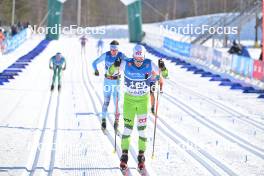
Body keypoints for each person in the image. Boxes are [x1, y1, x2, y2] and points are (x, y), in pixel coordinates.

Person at [107, 44, 168, 172]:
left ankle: (141, 156)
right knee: (127, 129)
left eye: (140, 60)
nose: (139, 62)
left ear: (144, 57)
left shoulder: (149, 64)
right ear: (133, 56)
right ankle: (124, 157)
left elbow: (165, 75)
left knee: (142, 130)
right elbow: (110, 72)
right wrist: (115, 64)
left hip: (142, 102)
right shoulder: (126, 63)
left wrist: (163, 68)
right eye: (136, 59)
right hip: (129, 101)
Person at [92, 40, 129, 131]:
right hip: (107, 81)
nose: (113, 52)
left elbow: (130, 62)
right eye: (112, 49)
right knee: (106, 101)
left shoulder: (121, 55)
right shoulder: (106, 55)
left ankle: (117, 122)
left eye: (115, 50)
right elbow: (94, 62)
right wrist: (96, 70)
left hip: (117, 81)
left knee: (116, 102)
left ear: (117, 49)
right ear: (110, 48)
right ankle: (103, 121)